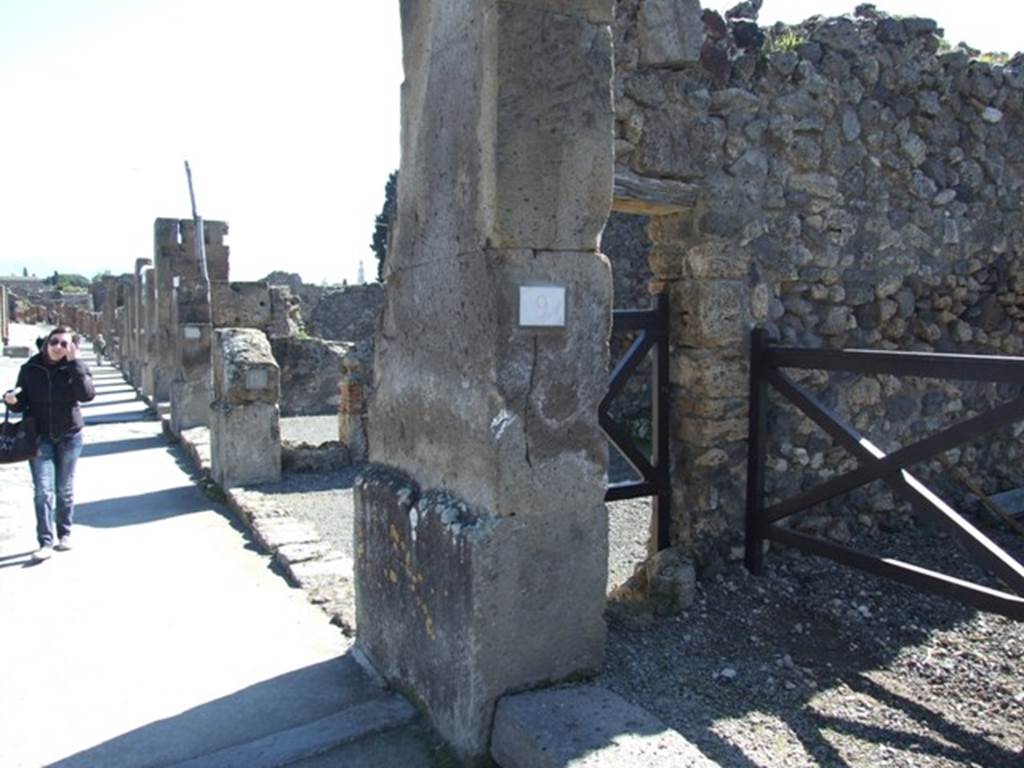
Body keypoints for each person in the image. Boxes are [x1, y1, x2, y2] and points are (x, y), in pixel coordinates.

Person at [3, 326, 95, 562]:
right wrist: (12, 400)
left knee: (64, 490)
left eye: (65, 344)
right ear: (46, 343)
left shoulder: (74, 368)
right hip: (39, 435)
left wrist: (75, 364)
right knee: (43, 491)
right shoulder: (30, 368)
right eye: (55, 342)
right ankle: (45, 541)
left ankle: (65, 534)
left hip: (70, 435)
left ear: (71, 348)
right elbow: (21, 402)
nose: (58, 347)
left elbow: (86, 395)